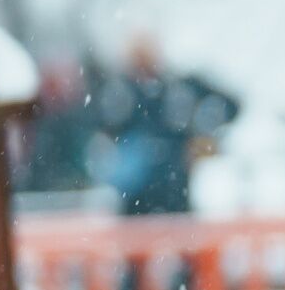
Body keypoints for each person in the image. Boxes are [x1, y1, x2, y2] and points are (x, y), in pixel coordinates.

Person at [94, 35, 238, 217]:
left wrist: (204, 131)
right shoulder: (123, 92)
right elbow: (97, 127)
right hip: (140, 199)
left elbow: (230, 105)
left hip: (173, 192)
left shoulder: (178, 87)